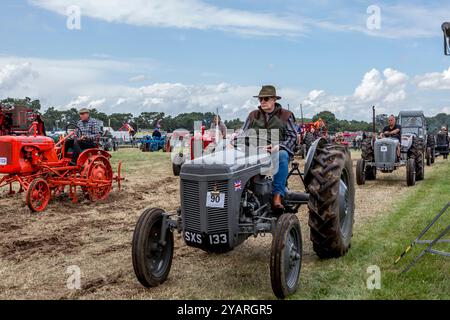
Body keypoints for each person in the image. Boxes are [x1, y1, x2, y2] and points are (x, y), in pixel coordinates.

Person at [235, 85, 297, 211]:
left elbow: (292, 137)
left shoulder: (286, 115)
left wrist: (278, 146)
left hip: (275, 152)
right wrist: (233, 141)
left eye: (266, 98)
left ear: (274, 99)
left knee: (282, 156)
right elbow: (243, 133)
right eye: (260, 99)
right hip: (254, 151)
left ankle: (277, 196)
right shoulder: (253, 115)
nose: (262, 101)